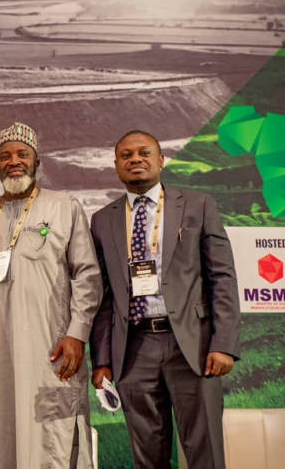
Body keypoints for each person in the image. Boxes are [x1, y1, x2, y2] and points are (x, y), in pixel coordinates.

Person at [90, 130, 241, 468]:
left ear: (160, 160)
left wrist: (225, 343)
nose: (135, 160)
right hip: (133, 350)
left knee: (206, 452)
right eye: (126, 155)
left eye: (144, 153)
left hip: (193, 345)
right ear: (116, 166)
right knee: (147, 457)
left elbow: (222, 277)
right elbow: (103, 297)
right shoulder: (102, 220)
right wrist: (101, 360)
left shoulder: (198, 204)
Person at [0, 122, 102, 468]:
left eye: (22, 154)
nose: (13, 161)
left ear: (36, 161)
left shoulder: (64, 206)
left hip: (53, 350)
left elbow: (87, 274)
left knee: (54, 438)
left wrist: (77, 333)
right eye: (5, 156)